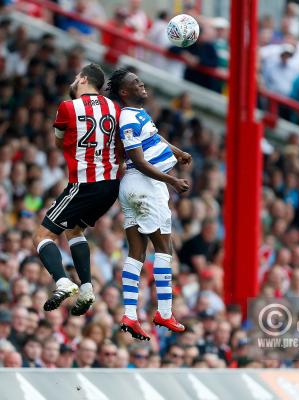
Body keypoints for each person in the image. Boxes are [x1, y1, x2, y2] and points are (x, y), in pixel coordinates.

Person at [107, 69, 191, 340]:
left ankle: (130, 315)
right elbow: (139, 160)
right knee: (164, 250)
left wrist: (176, 151)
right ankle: (164, 311)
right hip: (144, 185)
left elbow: (154, 138)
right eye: (136, 83)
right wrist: (172, 180)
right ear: (124, 92)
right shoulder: (128, 118)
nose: (142, 85)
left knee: (136, 253)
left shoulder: (137, 114)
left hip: (134, 188)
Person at [33, 64, 121, 316]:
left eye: (75, 77)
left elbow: (59, 141)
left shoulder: (67, 107)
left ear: (83, 79)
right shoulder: (113, 108)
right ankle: (86, 287)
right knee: (74, 230)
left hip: (84, 183)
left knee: (42, 236)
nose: (73, 81)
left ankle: (62, 281)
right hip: (110, 186)